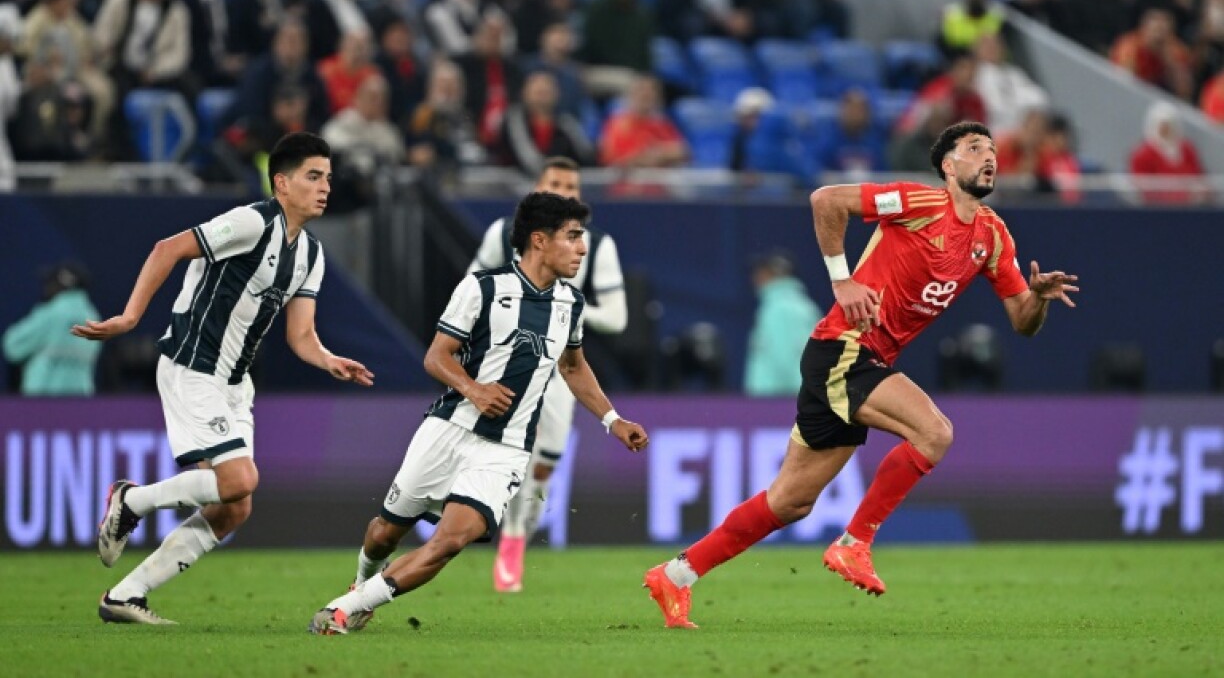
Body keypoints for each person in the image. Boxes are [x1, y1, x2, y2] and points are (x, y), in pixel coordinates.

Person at [644, 120, 1079, 628]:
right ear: (948, 165)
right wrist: (842, 281)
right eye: (973, 148)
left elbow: (1022, 321)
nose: (988, 156)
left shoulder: (992, 236)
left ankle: (675, 576)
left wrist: (1039, 300)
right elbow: (827, 200)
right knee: (934, 433)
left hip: (860, 361)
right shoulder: (919, 204)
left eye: (992, 150)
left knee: (791, 502)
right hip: (844, 350)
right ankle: (855, 543)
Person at [308, 192, 647, 634]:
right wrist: (473, 389)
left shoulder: (571, 304)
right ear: (539, 241)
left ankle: (344, 610)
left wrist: (611, 419)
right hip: (448, 429)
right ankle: (360, 586)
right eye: (573, 237)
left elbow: (572, 365)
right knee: (383, 535)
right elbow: (436, 357)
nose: (583, 248)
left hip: (505, 449)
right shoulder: (482, 288)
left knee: (450, 541)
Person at [73, 132, 374, 625]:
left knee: (235, 507)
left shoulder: (311, 255)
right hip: (193, 366)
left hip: (236, 383)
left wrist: (329, 360)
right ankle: (132, 500)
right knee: (240, 478)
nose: (324, 187)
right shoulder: (251, 221)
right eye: (313, 176)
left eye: (328, 178)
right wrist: (130, 318)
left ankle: (126, 595)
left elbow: (301, 336)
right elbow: (168, 248)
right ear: (281, 182)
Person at [467, 158, 629, 592]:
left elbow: (617, 317)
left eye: (571, 185)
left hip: (557, 367)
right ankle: (482, 522)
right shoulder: (505, 234)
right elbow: (472, 287)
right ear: (539, 188)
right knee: (494, 451)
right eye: (555, 184)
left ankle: (515, 538)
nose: (564, 192)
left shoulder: (598, 245)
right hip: (501, 365)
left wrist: (564, 308)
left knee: (542, 467)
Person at [3, 262, 101, 396]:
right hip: (81, 400)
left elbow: (12, 346)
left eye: (50, 282)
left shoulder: (50, 314)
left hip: (44, 401)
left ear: (61, 285)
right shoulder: (94, 318)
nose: (46, 287)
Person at [744, 251, 822, 397]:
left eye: (761, 271)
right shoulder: (805, 305)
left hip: (777, 399)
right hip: (799, 396)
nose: (755, 277)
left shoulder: (778, 308)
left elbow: (783, 357)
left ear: (770, 275)